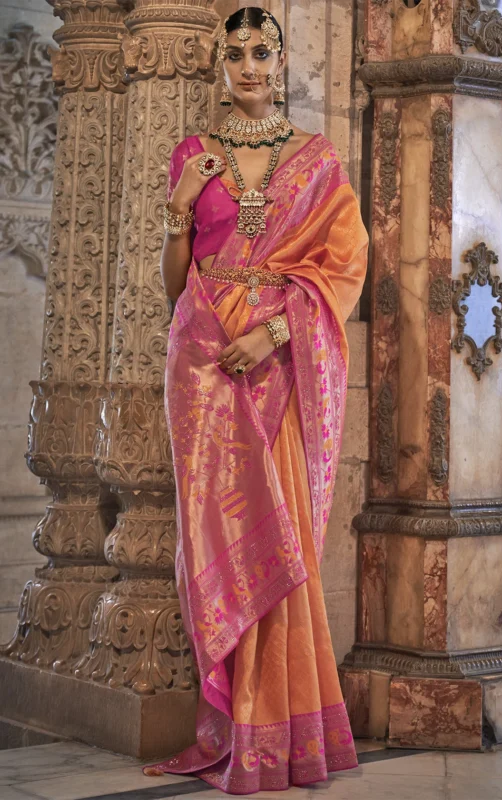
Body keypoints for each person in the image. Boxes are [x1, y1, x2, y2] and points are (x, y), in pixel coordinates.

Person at [143, 7, 369, 795]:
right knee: (215, 537)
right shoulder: (193, 155)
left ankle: (277, 729)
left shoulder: (317, 161)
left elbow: (341, 272)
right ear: (218, 62)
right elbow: (175, 285)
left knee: (278, 535)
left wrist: (272, 335)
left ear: (281, 60)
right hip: (202, 364)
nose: (247, 66)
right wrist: (179, 207)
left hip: (275, 362)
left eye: (261, 52)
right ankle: (229, 720)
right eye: (233, 53)